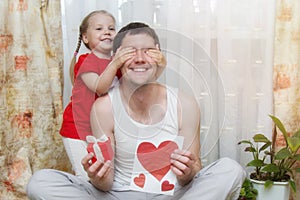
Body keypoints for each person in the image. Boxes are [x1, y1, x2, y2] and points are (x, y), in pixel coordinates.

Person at [26, 22, 246, 200]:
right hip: (118, 194)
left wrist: (188, 171)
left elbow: (192, 170)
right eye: (130, 52)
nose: (140, 58)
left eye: (148, 51)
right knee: (41, 181)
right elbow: (106, 182)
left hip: (171, 194)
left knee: (230, 169)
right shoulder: (103, 108)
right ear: (115, 58)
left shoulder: (184, 103)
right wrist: (97, 176)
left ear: (158, 55)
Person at [60, 11, 166, 178]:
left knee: (105, 172)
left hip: (102, 128)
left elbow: (142, 82)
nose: (107, 32)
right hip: (77, 129)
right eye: (99, 28)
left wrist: (160, 64)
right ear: (86, 38)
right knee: (86, 175)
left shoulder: (116, 63)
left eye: (111, 28)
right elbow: (100, 87)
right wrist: (116, 62)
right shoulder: (85, 61)